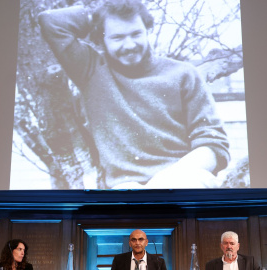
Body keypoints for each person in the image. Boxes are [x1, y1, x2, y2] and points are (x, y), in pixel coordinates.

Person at [38, 0, 230, 189]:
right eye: (117, 37)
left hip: (184, 179)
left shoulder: (184, 74)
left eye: (136, 34)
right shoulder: (90, 70)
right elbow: (51, 22)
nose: (129, 45)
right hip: (126, 189)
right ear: (101, 38)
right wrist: (101, 15)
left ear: (148, 30)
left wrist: (163, 183)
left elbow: (214, 144)